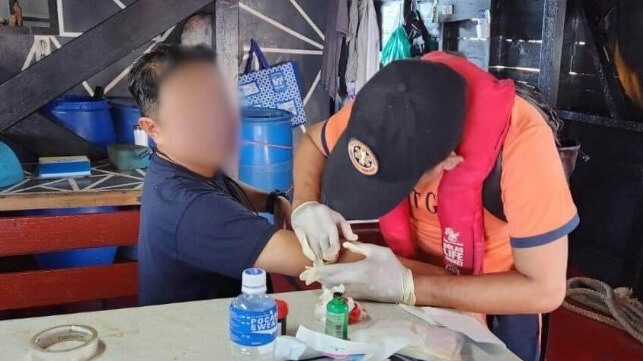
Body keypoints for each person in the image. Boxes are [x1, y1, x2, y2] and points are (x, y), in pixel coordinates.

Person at [292, 52, 579, 361]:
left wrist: (410, 287)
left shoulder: (523, 145)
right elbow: (313, 142)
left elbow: (544, 290)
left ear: (449, 161)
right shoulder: (391, 105)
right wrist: (304, 204)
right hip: (403, 276)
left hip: (496, 297)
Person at [128, 44, 361, 306]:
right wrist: (408, 276)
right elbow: (317, 258)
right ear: (152, 128)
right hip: (200, 339)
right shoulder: (193, 209)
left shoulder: (182, 164)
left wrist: (272, 201)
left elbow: (224, 184)